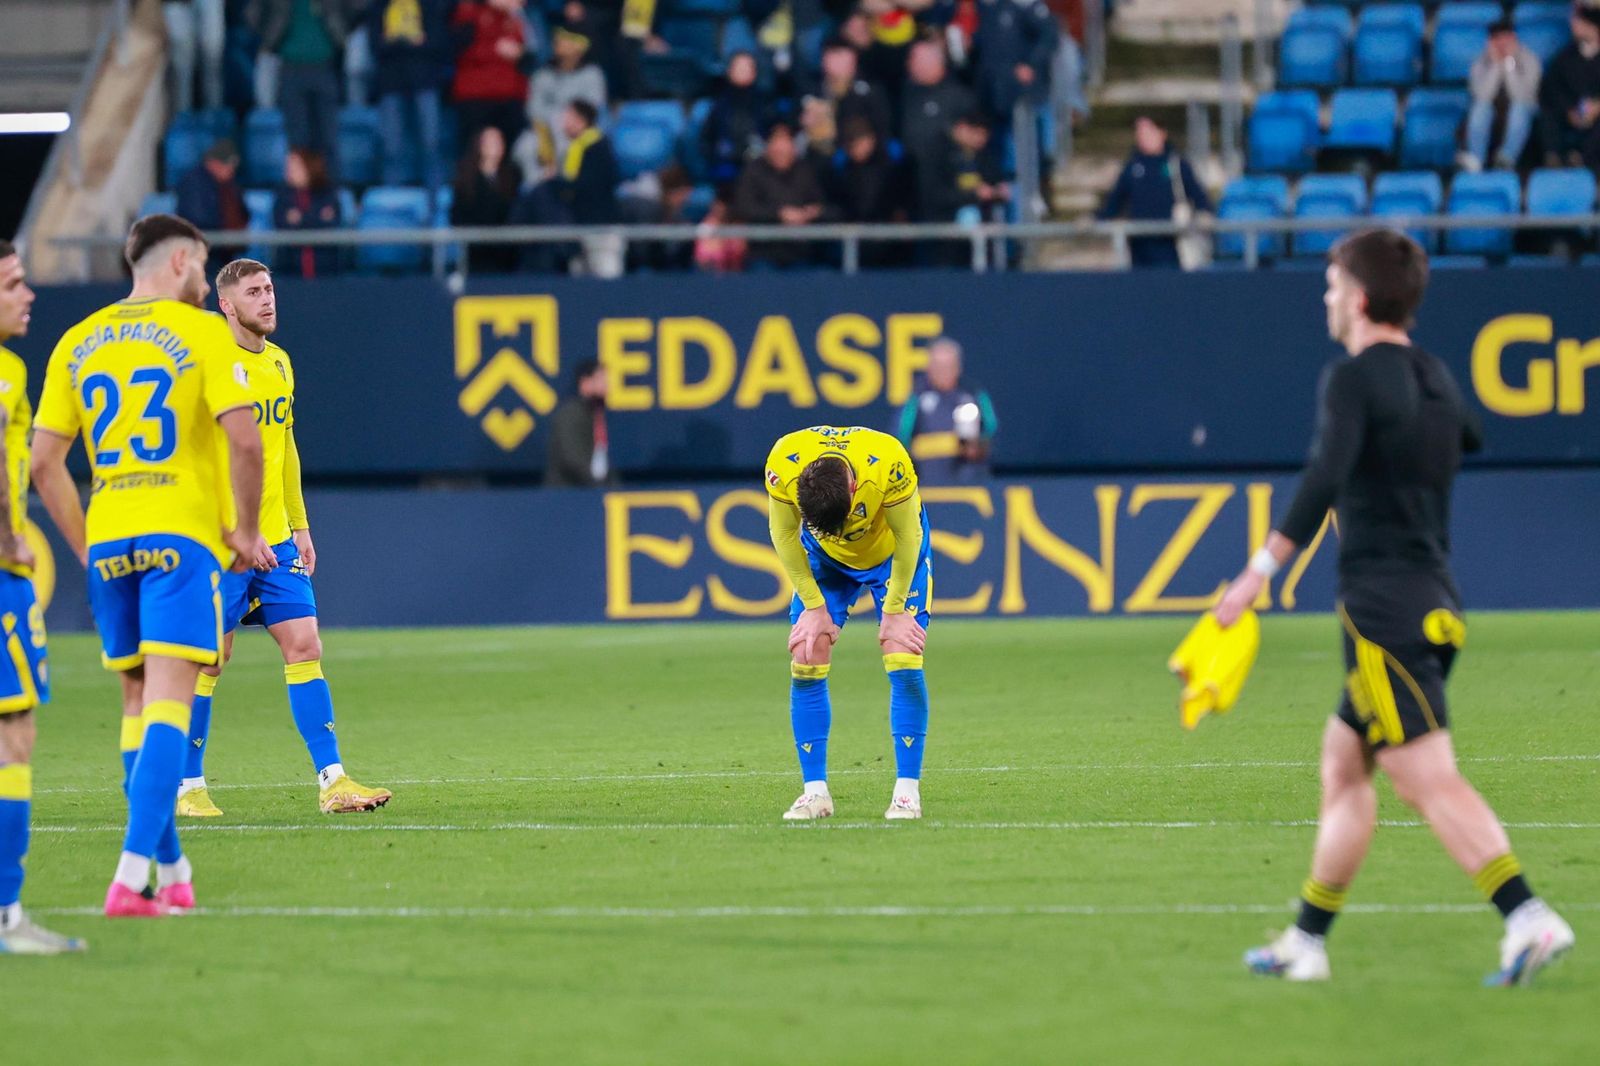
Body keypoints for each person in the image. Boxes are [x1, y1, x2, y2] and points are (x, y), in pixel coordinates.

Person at [1214, 228, 1576, 985]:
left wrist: (1256, 575)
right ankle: (1306, 942)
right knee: (1344, 764)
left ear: (1363, 297)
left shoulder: (1352, 379)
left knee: (1424, 776)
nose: (1326, 298)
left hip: (1381, 611)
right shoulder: (1436, 375)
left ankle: (1526, 916)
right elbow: (1469, 434)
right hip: (1436, 596)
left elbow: (1323, 476)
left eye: (1333, 285)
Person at [30, 214, 276, 918]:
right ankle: (129, 877)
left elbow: (45, 464)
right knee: (172, 700)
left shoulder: (77, 341)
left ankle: (171, 871)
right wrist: (246, 530)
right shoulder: (200, 332)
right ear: (178, 264)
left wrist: (85, 547)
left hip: (110, 540)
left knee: (138, 709)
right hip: (180, 538)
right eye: (201, 267)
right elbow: (248, 444)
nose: (205, 280)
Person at [177, 258, 393, 819]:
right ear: (226, 304)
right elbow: (193, 463)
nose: (268, 300)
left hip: (275, 538)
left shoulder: (278, 362)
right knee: (210, 660)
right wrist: (234, 532)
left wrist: (299, 524)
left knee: (305, 645)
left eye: (270, 289)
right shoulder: (205, 368)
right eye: (253, 292)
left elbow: (284, 448)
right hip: (219, 544)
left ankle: (333, 780)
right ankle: (189, 785)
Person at [765, 426, 933, 821]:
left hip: (892, 555)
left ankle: (907, 792)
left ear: (855, 486)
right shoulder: (783, 461)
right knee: (807, 650)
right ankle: (815, 793)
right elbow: (784, 533)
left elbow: (909, 536)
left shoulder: (888, 461)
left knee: (903, 654)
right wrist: (813, 605)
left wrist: (893, 613)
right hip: (825, 561)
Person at [0, 241, 85, 954]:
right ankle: (7, 915)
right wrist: (10, 538)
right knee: (14, 733)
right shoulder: (4, 373)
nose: (28, 294)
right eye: (13, 284)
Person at [1097, 115, 1210, 270]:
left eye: (1148, 131)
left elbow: (1199, 196)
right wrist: (1095, 218)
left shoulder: (1176, 165)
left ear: (1161, 133)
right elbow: (1114, 201)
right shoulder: (1132, 167)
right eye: (1139, 132)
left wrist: (1204, 214)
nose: (1142, 137)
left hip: (1170, 246)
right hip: (1139, 248)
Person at [368, 0, 455, 191]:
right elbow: (375, 44)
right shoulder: (380, 5)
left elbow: (438, 42)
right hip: (390, 83)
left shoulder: (430, 5)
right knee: (391, 149)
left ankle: (434, 208)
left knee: (431, 146)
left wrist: (396, 42)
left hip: (424, 81)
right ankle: (392, 206)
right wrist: (412, 43)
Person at [248, 0, 352, 156]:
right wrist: (269, 37)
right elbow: (252, 13)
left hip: (326, 66)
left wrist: (342, 33)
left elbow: (357, 8)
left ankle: (331, 180)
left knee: (328, 138)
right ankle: (301, 180)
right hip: (290, 67)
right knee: (297, 140)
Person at [895, 336, 998, 483]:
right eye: (938, 367)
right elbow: (900, 437)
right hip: (927, 482)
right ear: (929, 368)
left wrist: (978, 447)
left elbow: (991, 431)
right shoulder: (916, 397)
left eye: (948, 367)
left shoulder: (973, 394)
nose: (943, 372)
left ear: (958, 367)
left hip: (970, 480)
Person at [733, 120, 832, 269]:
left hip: (800, 253)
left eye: (786, 142)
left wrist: (810, 213)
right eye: (777, 142)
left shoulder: (805, 171)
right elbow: (744, 207)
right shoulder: (753, 172)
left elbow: (823, 205)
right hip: (764, 253)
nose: (781, 149)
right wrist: (780, 214)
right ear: (768, 146)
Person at [516, 27, 608, 184]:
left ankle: (566, 192)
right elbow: (533, 109)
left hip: (579, 133)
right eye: (558, 41)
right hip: (545, 131)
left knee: (570, 148)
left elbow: (592, 109)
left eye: (565, 41)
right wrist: (556, 120)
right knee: (524, 147)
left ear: (579, 48)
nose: (559, 44)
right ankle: (536, 191)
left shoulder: (592, 74)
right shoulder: (543, 74)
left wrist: (569, 121)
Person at [899, 36, 978, 215]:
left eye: (914, 59)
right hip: (913, 180)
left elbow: (975, 138)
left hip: (949, 184)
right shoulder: (907, 94)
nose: (909, 64)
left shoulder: (959, 97)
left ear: (933, 62)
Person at [1460, 20, 1542, 173]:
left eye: (1506, 38)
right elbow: (1482, 95)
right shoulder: (1480, 62)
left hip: (1524, 109)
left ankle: (1506, 159)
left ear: (1514, 38)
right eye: (1496, 39)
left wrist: (1509, 63)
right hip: (1494, 110)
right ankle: (1476, 160)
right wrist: (1496, 65)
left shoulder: (1530, 59)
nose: (1502, 44)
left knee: (1518, 109)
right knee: (1480, 108)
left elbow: (1521, 96)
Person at [450, 0, 531, 151]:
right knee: (474, 151)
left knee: (511, 151)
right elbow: (456, 50)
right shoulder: (469, 12)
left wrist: (519, 53)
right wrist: (495, 50)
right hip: (476, 96)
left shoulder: (515, 18)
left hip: (509, 95)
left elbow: (528, 54)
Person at [451, 126, 523, 274]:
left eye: (499, 141)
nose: (496, 146)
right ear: (479, 146)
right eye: (491, 142)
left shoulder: (513, 176)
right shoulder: (465, 180)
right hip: (478, 254)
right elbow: (457, 217)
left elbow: (517, 212)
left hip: (507, 254)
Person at [1537, 6, 1600, 169]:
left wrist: (1597, 106)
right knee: (1548, 113)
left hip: (1596, 114)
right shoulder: (1565, 56)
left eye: (1578, 21)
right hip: (1571, 112)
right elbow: (1551, 88)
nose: (1573, 25)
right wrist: (1569, 110)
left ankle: (1582, 159)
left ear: (1592, 26)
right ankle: (1554, 158)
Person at [174, 138, 248, 275]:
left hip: (225, 253)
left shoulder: (229, 186)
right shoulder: (194, 184)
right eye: (227, 165)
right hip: (201, 255)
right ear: (213, 163)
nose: (230, 170)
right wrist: (224, 234)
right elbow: (196, 218)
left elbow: (243, 212)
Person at [701, 51, 772, 189]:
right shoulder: (719, 105)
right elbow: (707, 140)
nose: (742, 71)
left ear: (754, 72)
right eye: (738, 67)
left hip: (759, 165)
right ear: (729, 71)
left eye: (747, 67)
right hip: (726, 165)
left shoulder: (765, 103)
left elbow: (772, 136)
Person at [272, 146, 343, 279]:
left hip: (326, 270)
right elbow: (281, 224)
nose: (288, 171)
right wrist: (317, 217)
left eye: (294, 167)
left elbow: (333, 224)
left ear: (309, 167)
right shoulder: (282, 196)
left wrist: (300, 218)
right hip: (290, 270)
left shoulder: (328, 193)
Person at [545, 359, 614, 487]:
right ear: (585, 383)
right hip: (568, 494)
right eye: (601, 379)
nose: (606, 385)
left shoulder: (598, 415)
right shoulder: (571, 414)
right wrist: (600, 485)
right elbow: (572, 458)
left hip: (593, 491)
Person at [819, 38, 894, 143]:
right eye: (828, 56)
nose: (832, 62)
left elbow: (882, 128)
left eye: (839, 56)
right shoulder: (814, 90)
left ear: (853, 59)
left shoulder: (870, 91)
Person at [165, 0, 227, 112]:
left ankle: (212, 117)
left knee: (211, 64)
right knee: (182, 70)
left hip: (209, 4)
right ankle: (182, 117)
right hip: (179, 7)